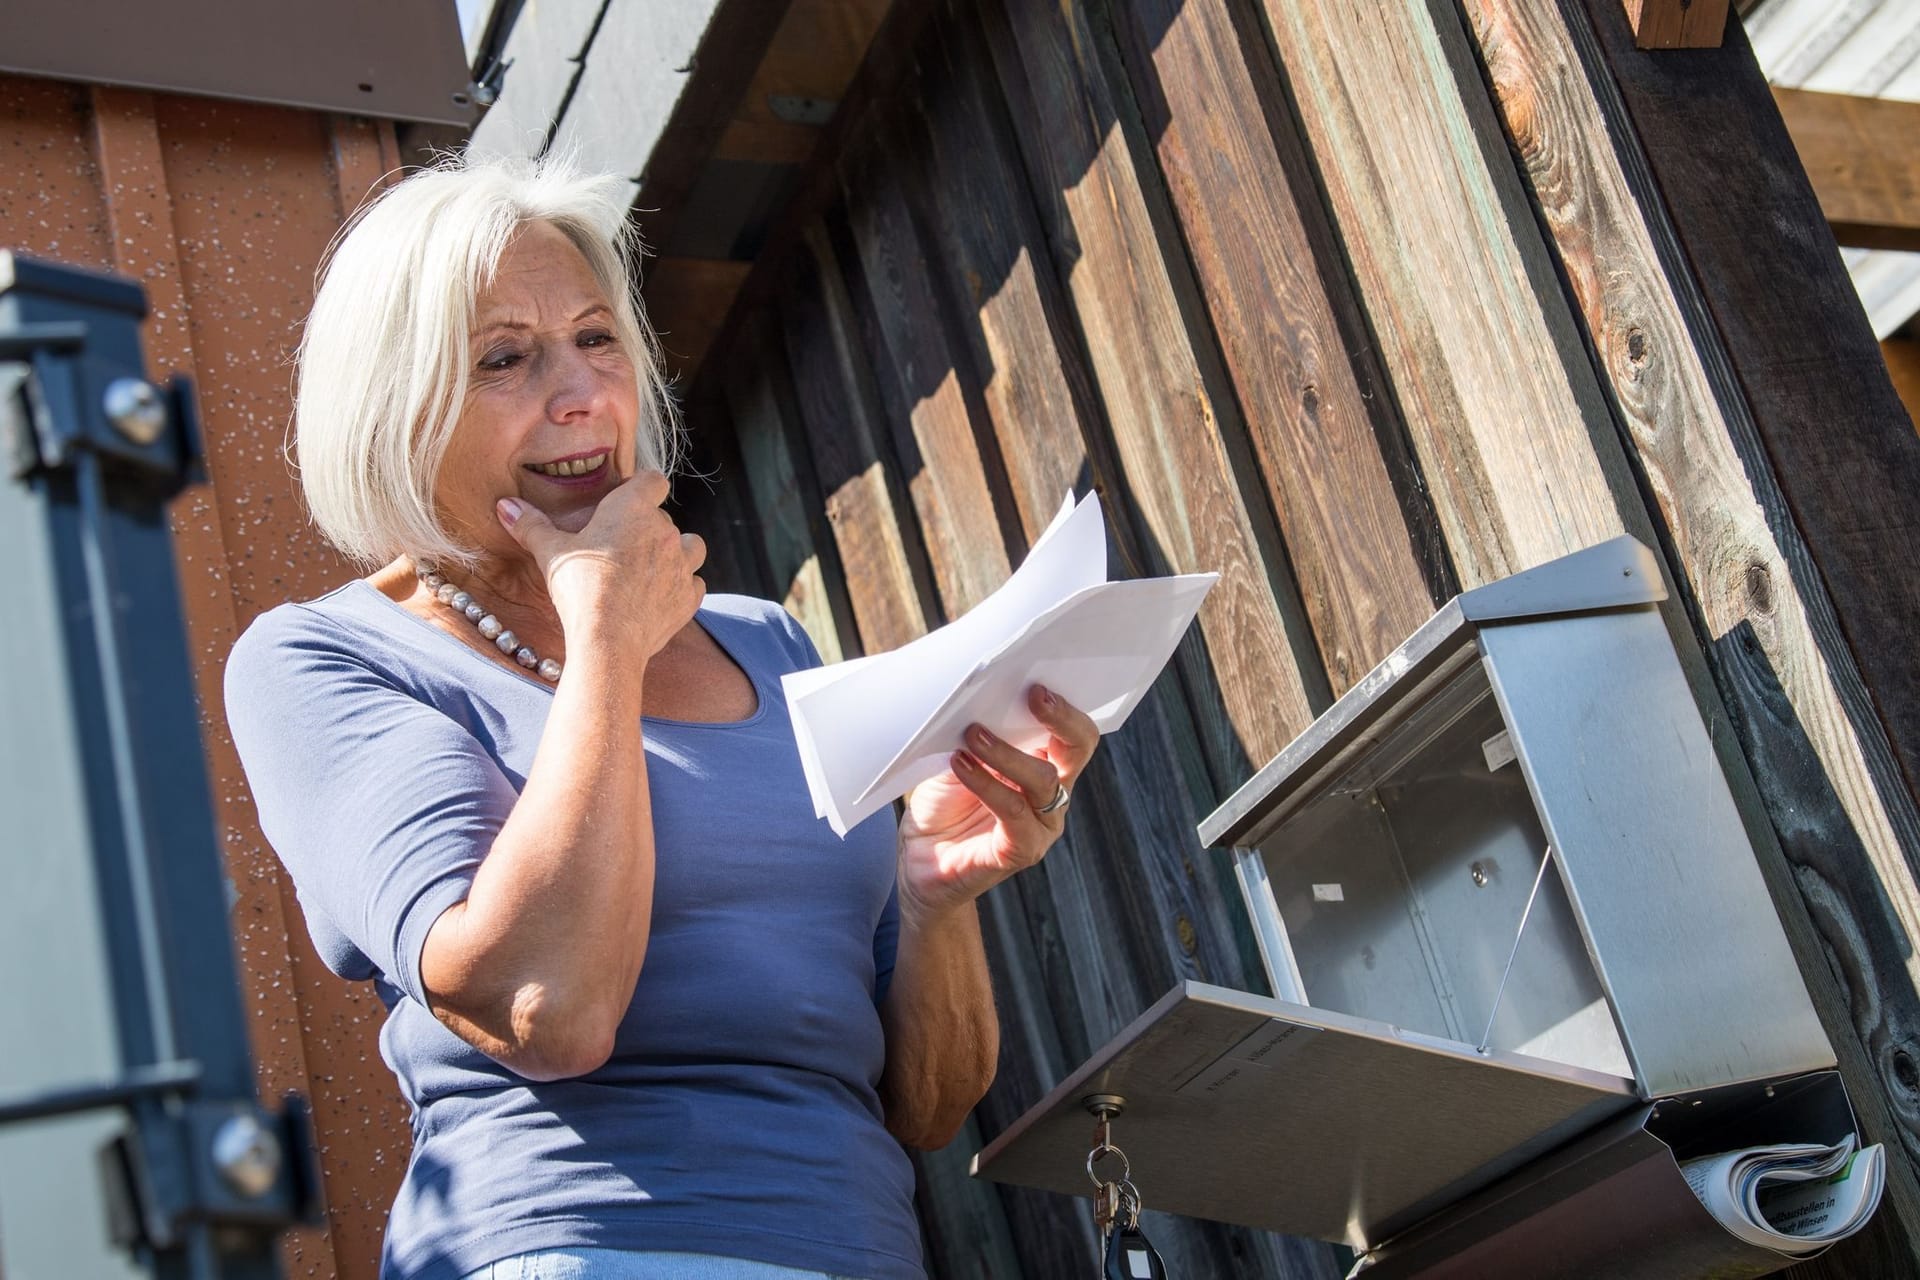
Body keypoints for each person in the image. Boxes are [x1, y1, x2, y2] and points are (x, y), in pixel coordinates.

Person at [223, 156, 1100, 1280]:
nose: (581, 390)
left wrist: (935, 892)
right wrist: (604, 642)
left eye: (597, 339)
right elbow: (550, 1009)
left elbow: (926, 1106)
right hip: (575, 1247)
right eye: (504, 358)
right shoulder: (327, 656)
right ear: (394, 409)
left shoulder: (768, 641)